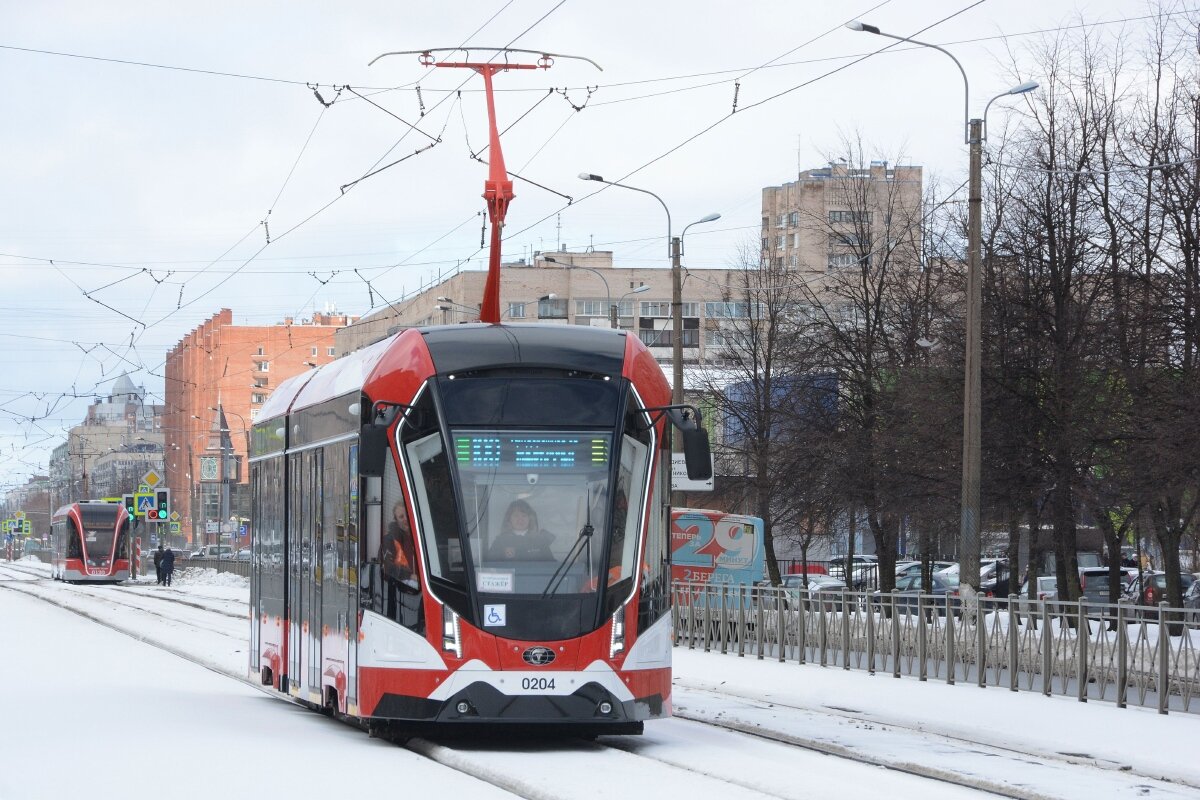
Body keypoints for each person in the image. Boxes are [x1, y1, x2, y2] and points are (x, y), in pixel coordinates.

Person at [488, 499, 554, 561]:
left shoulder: (539, 541)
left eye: (524, 515)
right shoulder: (500, 542)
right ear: (509, 519)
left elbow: (551, 567)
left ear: (530, 519)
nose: (520, 519)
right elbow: (491, 568)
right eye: (516, 515)